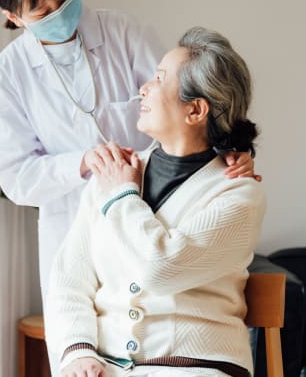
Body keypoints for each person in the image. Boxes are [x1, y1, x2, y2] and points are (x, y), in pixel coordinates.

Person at [0, 0, 257, 374]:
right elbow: (17, 177)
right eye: (43, 11)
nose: (61, 13)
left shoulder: (125, 33)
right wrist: (89, 165)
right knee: (80, 347)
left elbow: (186, 98)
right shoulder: (8, 74)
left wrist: (234, 148)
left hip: (160, 206)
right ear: (13, 18)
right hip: (76, 215)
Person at [46, 26, 266, 377]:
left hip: (198, 368)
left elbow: (160, 270)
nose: (143, 88)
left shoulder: (238, 193)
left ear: (195, 110)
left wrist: (122, 196)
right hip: (106, 366)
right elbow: (69, 279)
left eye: (160, 79)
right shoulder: (113, 172)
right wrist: (77, 352)